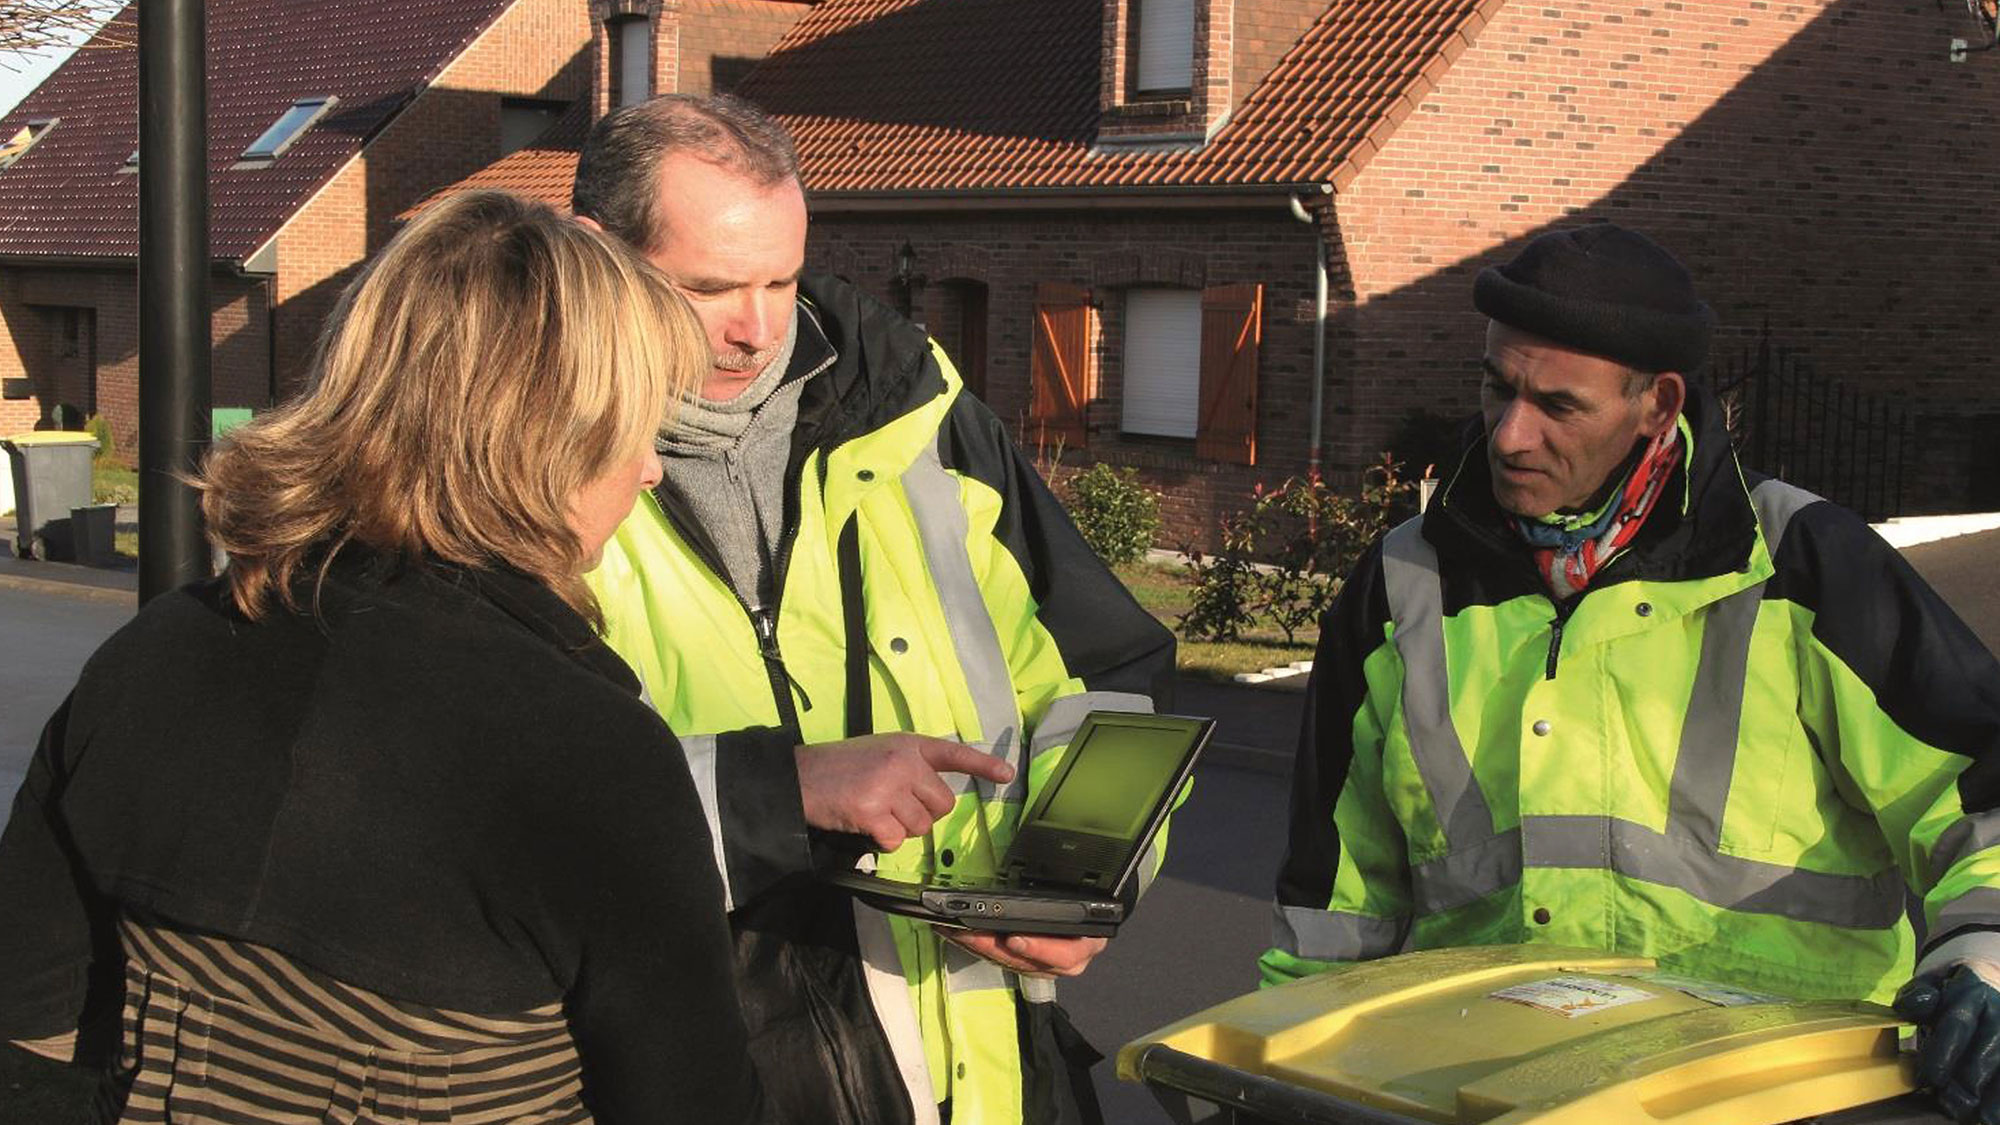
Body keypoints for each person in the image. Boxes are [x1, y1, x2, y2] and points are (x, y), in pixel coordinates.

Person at [0, 190, 766, 1124]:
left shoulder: (155, 653)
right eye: (639, 427)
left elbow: (34, 1018)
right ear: (547, 439)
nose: (651, 468)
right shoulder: (589, 754)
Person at [1261, 223, 2000, 1122]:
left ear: (1659, 405)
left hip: (1779, 1097)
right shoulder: (1400, 585)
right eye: (1497, 388)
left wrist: (1985, 959)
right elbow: (1335, 897)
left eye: (1558, 405)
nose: (1509, 434)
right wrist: (1283, 1067)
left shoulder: (1801, 564)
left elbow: (1977, 787)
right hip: (1479, 1094)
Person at [570, 94, 1176, 1125]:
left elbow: (1103, 677)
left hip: (990, 1067)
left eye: (783, 279)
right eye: (710, 287)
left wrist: (1087, 880)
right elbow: (490, 815)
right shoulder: (518, 470)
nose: (757, 328)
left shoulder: (925, 418)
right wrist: (781, 789)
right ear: (592, 254)